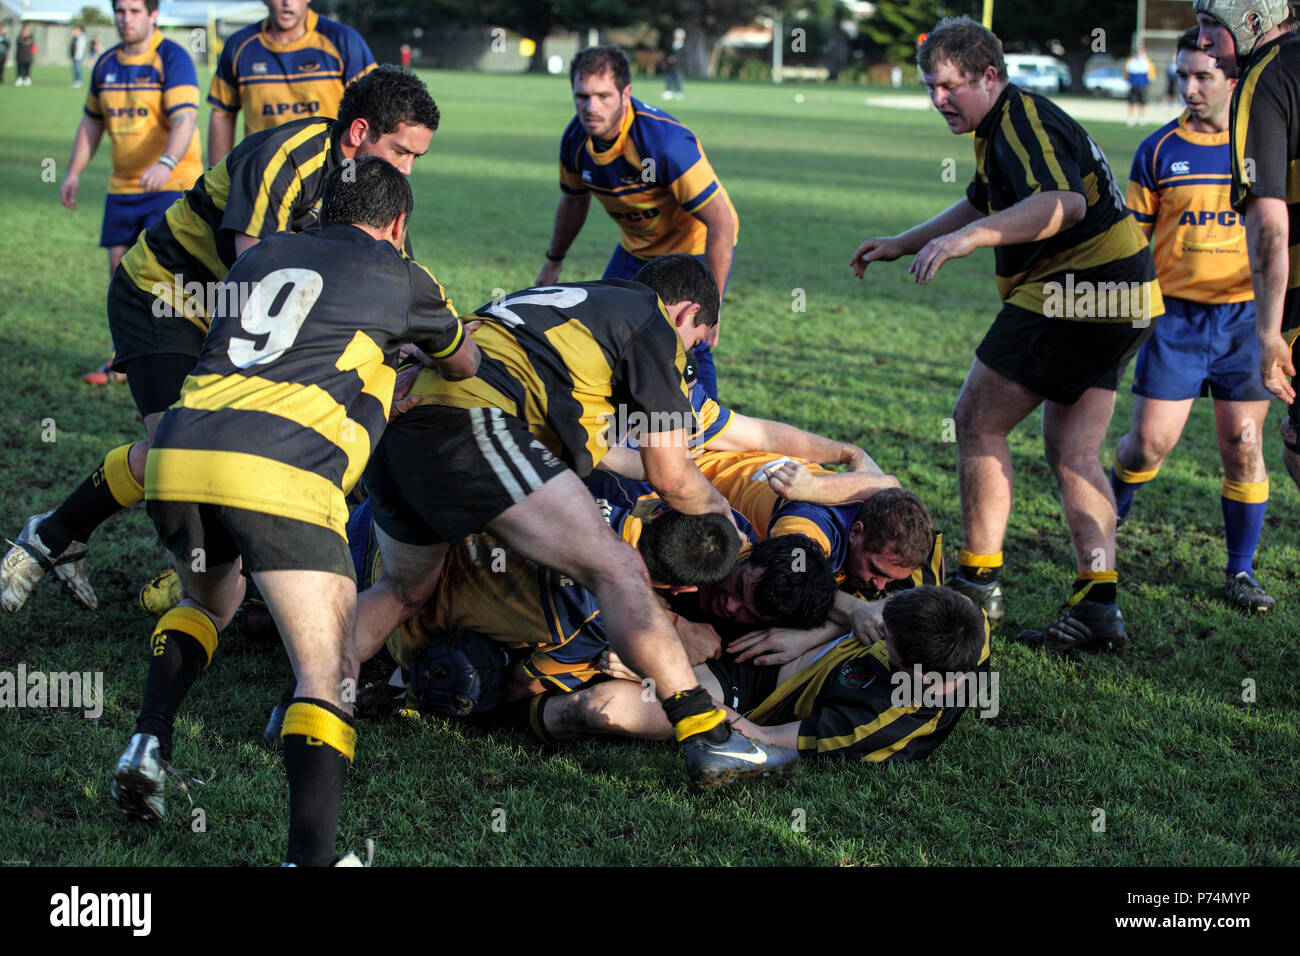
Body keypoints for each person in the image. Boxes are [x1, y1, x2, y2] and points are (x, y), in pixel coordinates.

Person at [109, 158, 478, 869]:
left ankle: (148, 740)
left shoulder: (264, 253)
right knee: (327, 673)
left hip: (180, 452)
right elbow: (462, 362)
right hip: (280, 469)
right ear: (399, 223)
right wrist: (401, 360)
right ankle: (309, 863)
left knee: (207, 603)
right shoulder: (406, 276)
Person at [0, 66, 440, 616]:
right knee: (176, 451)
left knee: (257, 439)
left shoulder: (373, 192)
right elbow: (252, 264)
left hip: (236, 312)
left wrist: (417, 349)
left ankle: (222, 574)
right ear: (358, 133)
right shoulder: (287, 156)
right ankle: (55, 534)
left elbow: (390, 279)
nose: (407, 169)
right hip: (166, 294)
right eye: (401, 152)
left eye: (416, 158)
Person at [358, 255, 799, 789]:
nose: (691, 359)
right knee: (617, 567)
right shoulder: (651, 325)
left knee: (404, 589)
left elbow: (609, 454)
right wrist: (716, 511)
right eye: (698, 343)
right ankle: (709, 736)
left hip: (402, 423)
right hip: (465, 427)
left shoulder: (576, 313)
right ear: (684, 314)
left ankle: (309, 704)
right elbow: (672, 476)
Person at [850, 16, 1162, 653]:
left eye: (948, 87)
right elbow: (984, 199)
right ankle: (1099, 603)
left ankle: (977, 585)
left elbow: (1063, 205)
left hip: (1077, 291)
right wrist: (905, 241)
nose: (938, 100)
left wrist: (971, 240)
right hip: (1127, 294)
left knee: (978, 420)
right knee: (1073, 450)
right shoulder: (1002, 126)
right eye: (930, 88)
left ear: (989, 76)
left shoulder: (1020, 122)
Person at [1113, 27, 1275, 612]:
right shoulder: (1158, 150)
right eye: (1182, 74)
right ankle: (1111, 521)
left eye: (1203, 75)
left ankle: (1240, 572)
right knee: (1148, 446)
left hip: (1245, 324)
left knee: (1243, 444)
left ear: (1234, 79)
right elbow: (1132, 244)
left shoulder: (1264, 146)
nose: (1189, 87)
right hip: (1175, 324)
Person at [542, 585, 991, 766]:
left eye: (884, 633)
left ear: (904, 666)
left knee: (599, 708)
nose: (878, 623)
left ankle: (526, 706)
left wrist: (668, 677)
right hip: (788, 630)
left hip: (745, 691)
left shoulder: (878, 725)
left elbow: (763, 736)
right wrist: (823, 628)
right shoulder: (966, 621)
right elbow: (874, 607)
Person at [536, 45, 737, 401]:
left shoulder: (665, 143)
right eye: (582, 96)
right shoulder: (575, 141)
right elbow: (573, 200)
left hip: (690, 253)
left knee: (689, 344)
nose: (591, 107)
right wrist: (553, 262)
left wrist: (714, 304)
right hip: (635, 252)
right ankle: (621, 426)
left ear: (626, 94)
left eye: (603, 96)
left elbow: (722, 221)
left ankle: (703, 432)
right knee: (607, 331)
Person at [63, 0, 203, 386]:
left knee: (168, 279)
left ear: (153, 14)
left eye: (135, 10)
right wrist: (73, 172)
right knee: (120, 275)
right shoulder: (105, 64)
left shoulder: (172, 58)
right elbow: (92, 123)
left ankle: (183, 361)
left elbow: (186, 119)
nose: (126, 18)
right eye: (120, 11)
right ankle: (122, 360)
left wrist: (167, 162)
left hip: (170, 183)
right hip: (122, 188)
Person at [1196, 1, 1300, 494]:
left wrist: (1267, 333)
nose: (1202, 43)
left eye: (1209, 26)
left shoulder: (1264, 79)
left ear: (1251, 21)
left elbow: (1270, 227)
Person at [206, 0, 375, 166]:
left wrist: (358, 174)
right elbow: (222, 114)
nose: (287, 2)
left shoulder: (343, 40)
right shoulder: (239, 46)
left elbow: (372, 107)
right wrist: (217, 179)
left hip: (328, 172)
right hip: (262, 173)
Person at [1126, 46, 1154, 126]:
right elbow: (1127, 73)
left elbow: (1151, 74)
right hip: (1134, 85)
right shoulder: (1131, 61)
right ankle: (1131, 119)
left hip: (1143, 85)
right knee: (1132, 102)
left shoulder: (1147, 61)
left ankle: (1142, 119)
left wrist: (1148, 82)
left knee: (1143, 103)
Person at [663, 27, 685, 100]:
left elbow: (684, 57)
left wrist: (676, 59)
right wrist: (669, 58)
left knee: (678, 79)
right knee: (669, 78)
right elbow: (667, 54)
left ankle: (679, 91)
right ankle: (668, 91)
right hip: (670, 66)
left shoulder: (684, 46)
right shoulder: (671, 45)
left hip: (679, 66)